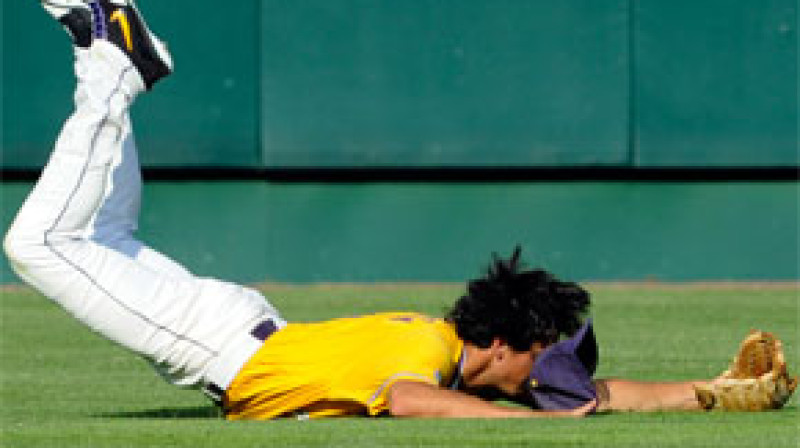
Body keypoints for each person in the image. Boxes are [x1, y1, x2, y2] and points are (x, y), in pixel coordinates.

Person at [5, 0, 715, 420]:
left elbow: (598, 396)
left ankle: (104, 53)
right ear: (500, 346)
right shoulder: (427, 355)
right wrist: (547, 426)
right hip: (212, 344)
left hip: (232, 331)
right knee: (41, 245)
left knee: (95, 231)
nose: (547, 372)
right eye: (542, 354)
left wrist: (713, 392)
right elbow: (407, 401)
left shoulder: (462, 363)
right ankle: (113, 63)